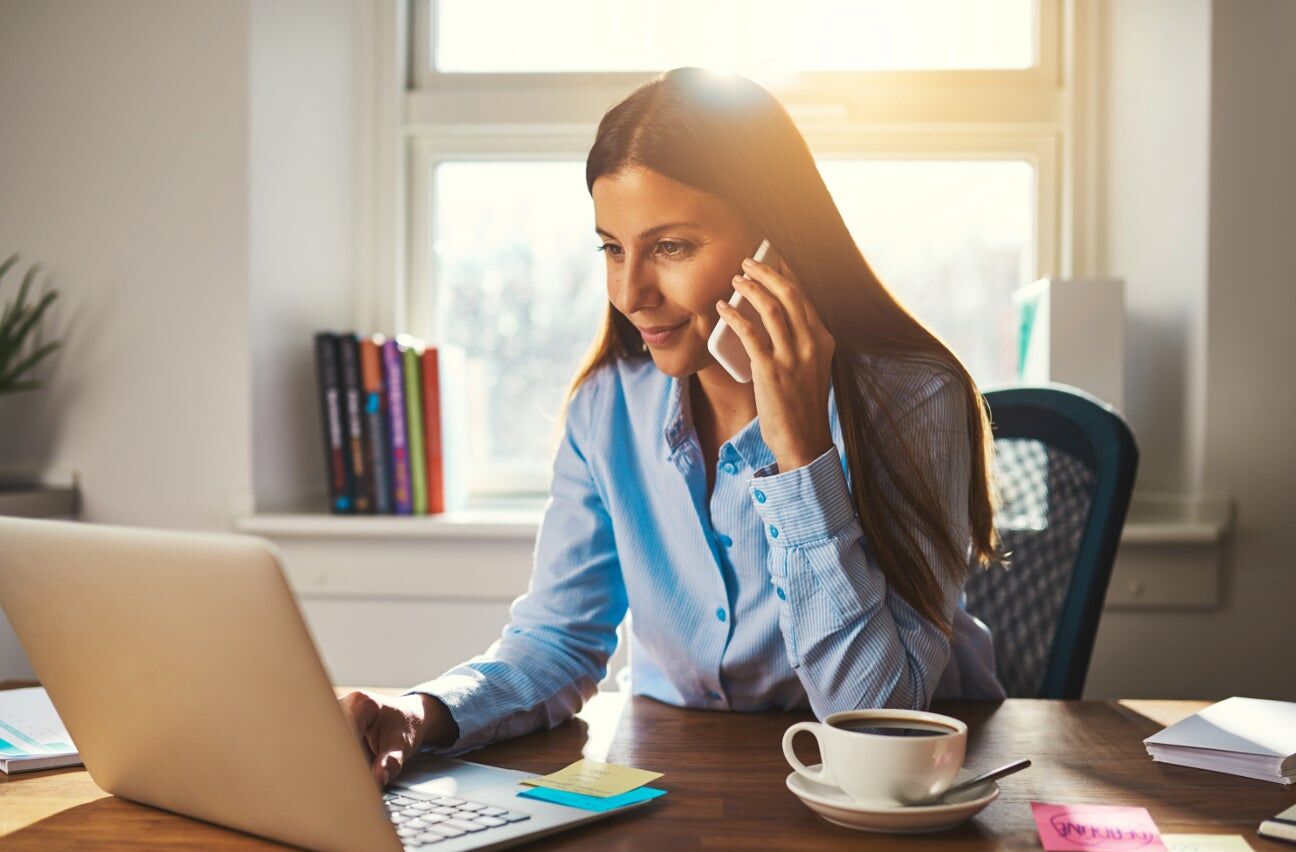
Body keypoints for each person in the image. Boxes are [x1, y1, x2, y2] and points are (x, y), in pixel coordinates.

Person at [340, 67, 1005, 788]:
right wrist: (419, 710)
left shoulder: (911, 400)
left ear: (774, 245)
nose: (630, 293)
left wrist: (802, 453)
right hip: (674, 783)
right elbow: (558, 640)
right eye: (612, 248)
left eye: (671, 247)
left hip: (896, 803)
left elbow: (876, 718)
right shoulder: (607, 407)